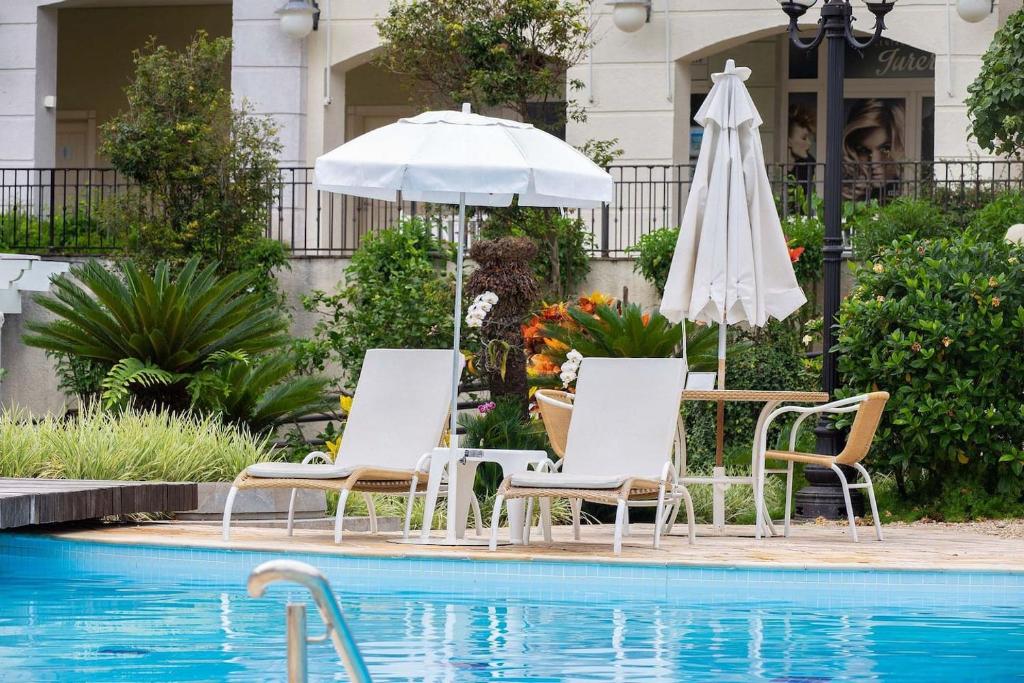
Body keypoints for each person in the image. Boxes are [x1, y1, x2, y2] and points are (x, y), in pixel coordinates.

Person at [842, 98, 905, 201]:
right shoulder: (846, 200)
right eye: (863, 150)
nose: (874, 161)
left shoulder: (909, 194)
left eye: (885, 148)